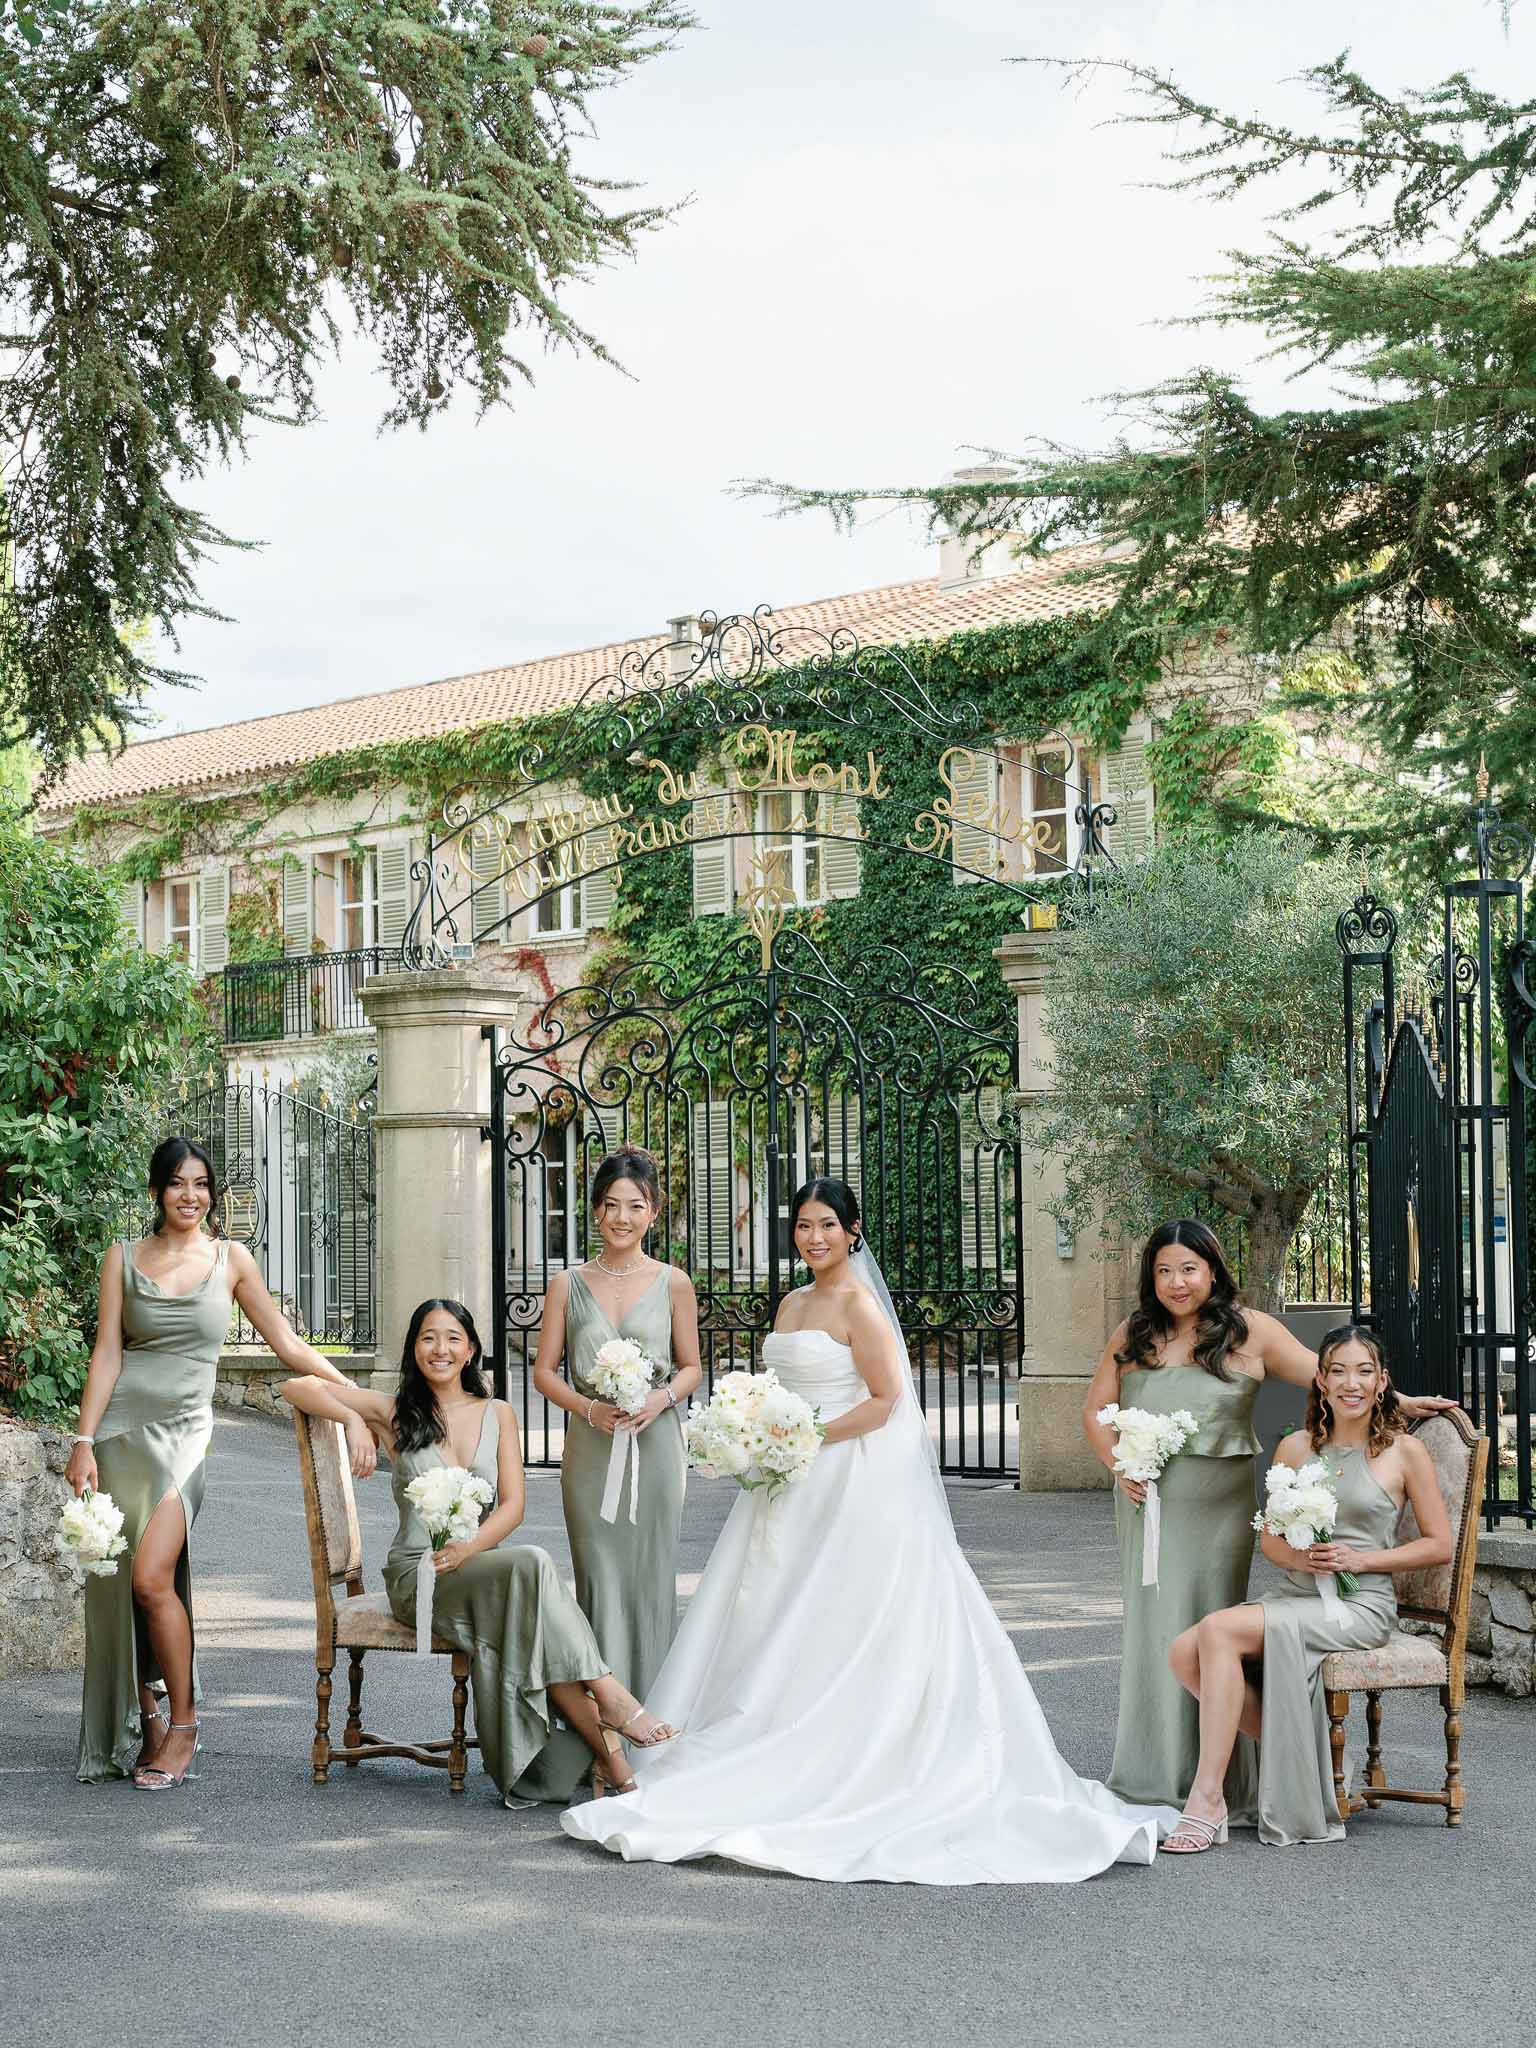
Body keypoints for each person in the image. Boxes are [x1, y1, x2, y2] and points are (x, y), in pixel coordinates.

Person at [562, 1178, 1178, 1883]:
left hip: (846, 1476)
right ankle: (770, 1742)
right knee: (770, 1612)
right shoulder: (793, 1302)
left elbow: (887, 1403)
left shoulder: (859, 1305)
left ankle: (856, 1755)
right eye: (802, 1224)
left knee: (843, 1612)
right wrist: (760, 1430)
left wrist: (802, 1433)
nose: (813, 1237)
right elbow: (781, 1390)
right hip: (786, 1478)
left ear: (853, 1232)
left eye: (827, 1225)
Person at [1082, 1217, 1453, 1818]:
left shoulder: (1249, 1330)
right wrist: (1118, 1466)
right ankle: (1155, 1770)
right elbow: (1095, 1410)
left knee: (1208, 1624)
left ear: (1213, 1270)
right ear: (1150, 1279)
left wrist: (1399, 1399)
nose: (1178, 1282)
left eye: (1190, 1268)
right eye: (1164, 1271)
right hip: (1145, 1508)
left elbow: (1331, 1374)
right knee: (1153, 1630)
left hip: (1218, 1512)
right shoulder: (1135, 1334)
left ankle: (1223, 1781)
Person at [67, 1135, 376, 1789]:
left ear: (213, 1193)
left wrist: (355, 1403)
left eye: (201, 1183)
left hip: (183, 1439)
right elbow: (107, 1355)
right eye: (178, 1183)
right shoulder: (122, 1257)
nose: (191, 1195)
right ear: (157, 1191)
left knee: (152, 1578)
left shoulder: (231, 1259)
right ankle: (146, 1716)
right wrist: (83, 1441)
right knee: (121, 1585)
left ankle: (184, 1726)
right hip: (121, 1433)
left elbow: (287, 1341)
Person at [280, 1298, 673, 1806]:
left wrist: (469, 1549)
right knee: (532, 1566)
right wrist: (352, 1419)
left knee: (531, 1594)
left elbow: (513, 1508)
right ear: (414, 1348)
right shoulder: (394, 1411)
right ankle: (612, 1701)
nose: (439, 1349)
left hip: (477, 1567)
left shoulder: (499, 1414)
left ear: (471, 1351)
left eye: (451, 1338)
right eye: (427, 1337)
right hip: (416, 1574)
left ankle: (615, 1766)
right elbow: (296, 1385)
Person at [1162, 1325, 1451, 1850]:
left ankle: (1207, 1802)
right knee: (1184, 1654)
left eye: (1364, 1371)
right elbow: (1270, 1542)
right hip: (1298, 1593)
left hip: (1358, 1603)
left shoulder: (1405, 1453)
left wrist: (1362, 1560)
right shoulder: (1295, 1448)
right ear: (1319, 1379)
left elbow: (1438, 1546)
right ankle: (1300, 1755)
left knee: (1218, 1633)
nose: (1351, 1383)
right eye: (1338, 1371)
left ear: (1383, 1381)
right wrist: (1302, 1556)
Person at [531, 1146, 702, 1704]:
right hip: (591, 1448)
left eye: (635, 1205)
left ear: (652, 1211)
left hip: (655, 1449)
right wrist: (589, 1409)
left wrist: (661, 1399)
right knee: (598, 1582)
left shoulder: (674, 1283)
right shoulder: (567, 1285)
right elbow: (544, 1373)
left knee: (651, 1581)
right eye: (611, 1205)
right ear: (596, 1211)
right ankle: (603, 1729)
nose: (622, 1218)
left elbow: (692, 1367)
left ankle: (652, 1718)